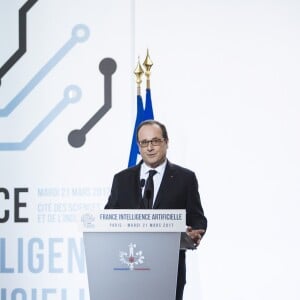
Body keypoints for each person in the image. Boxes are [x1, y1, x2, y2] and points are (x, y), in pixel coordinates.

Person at [105, 119, 207, 300]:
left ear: (166, 142)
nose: (149, 147)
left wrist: (192, 234)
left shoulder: (185, 178)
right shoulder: (122, 180)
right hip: (129, 270)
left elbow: (198, 219)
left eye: (155, 141)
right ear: (138, 146)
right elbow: (108, 221)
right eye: (144, 143)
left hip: (169, 271)